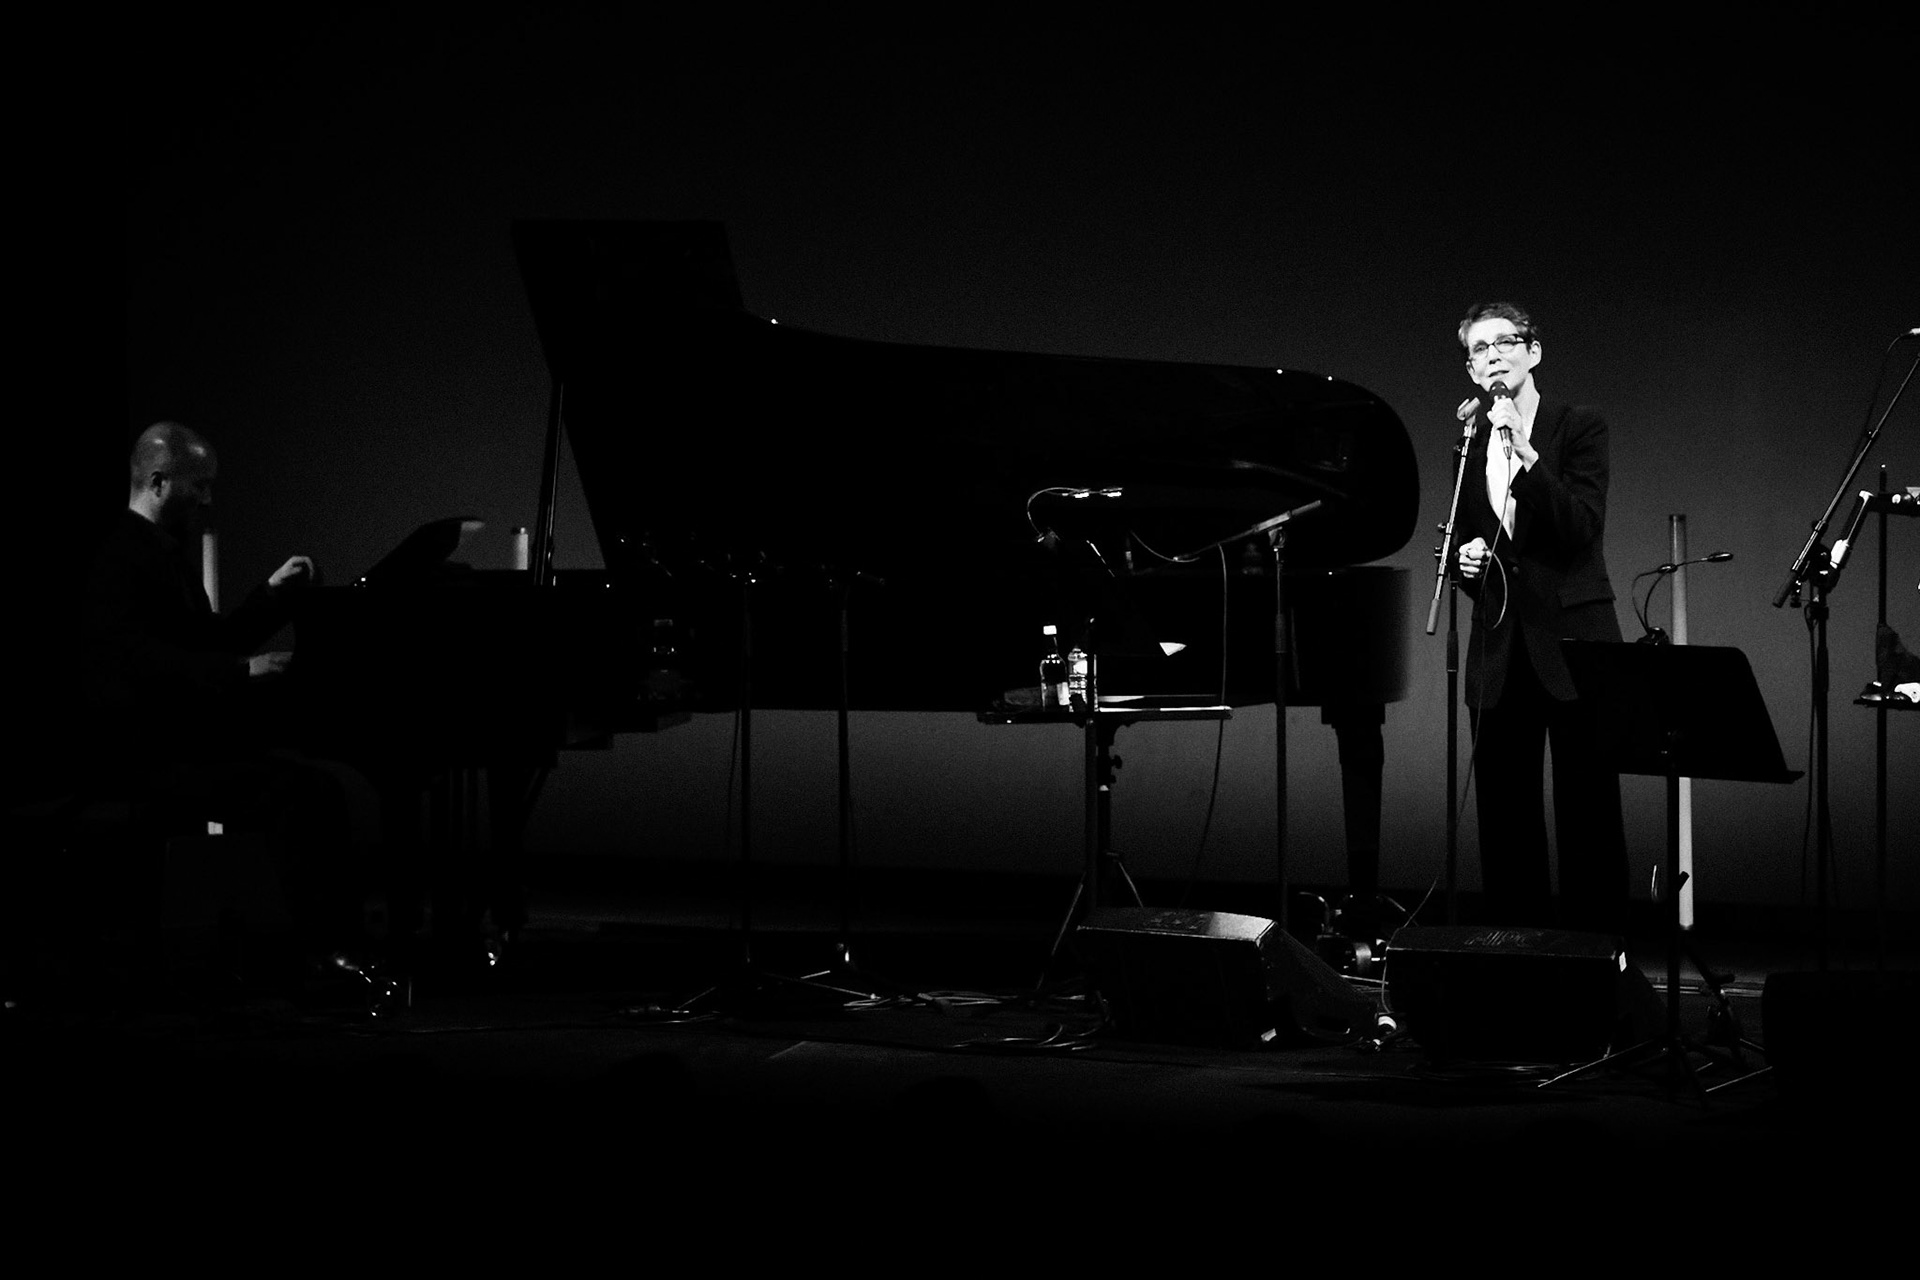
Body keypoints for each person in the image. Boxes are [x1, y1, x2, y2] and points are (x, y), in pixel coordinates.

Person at [83, 421, 370, 972]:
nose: (208, 499)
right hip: (144, 754)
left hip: (173, 746)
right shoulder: (120, 557)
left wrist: (272, 595)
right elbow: (139, 662)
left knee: (311, 788)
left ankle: (326, 949)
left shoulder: (160, 552)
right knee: (302, 793)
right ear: (159, 482)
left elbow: (206, 642)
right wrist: (242, 671)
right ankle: (323, 953)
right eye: (200, 485)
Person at [1451, 304, 1629, 934]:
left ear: (1534, 352)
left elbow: (1581, 526)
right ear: (1472, 370)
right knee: (1505, 815)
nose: (1493, 355)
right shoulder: (1469, 439)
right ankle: (1517, 954)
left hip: (1574, 641)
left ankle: (1598, 956)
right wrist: (1467, 560)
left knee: (1589, 810)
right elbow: (1469, 536)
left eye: (1506, 342)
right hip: (1500, 645)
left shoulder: (1577, 426)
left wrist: (1526, 454)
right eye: (1479, 349)